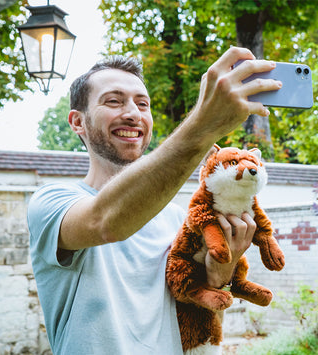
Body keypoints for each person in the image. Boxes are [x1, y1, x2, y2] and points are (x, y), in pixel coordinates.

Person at [27, 46, 282, 354]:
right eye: (114, 101)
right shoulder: (53, 202)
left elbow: (203, 318)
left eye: (142, 104)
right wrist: (205, 122)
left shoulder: (178, 219)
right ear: (78, 122)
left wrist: (221, 274)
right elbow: (106, 222)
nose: (133, 113)